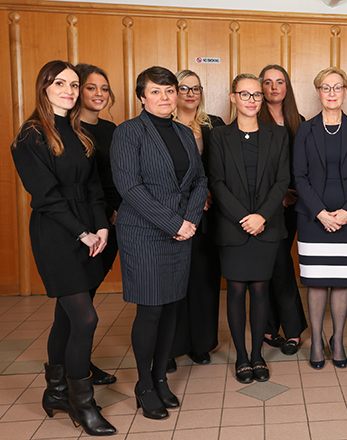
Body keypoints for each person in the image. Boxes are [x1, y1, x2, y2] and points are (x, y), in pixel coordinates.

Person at [11, 60, 116, 436]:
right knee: (86, 318)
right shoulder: (30, 136)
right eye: (61, 83)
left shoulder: (75, 131)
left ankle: (55, 391)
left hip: (89, 228)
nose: (70, 90)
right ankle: (81, 403)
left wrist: (101, 226)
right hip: (57, 235)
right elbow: (46, 198)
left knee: (67, 316)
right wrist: (83, 234)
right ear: (44, 87)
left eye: (74, 84)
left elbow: (91, 187)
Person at [110, 66, 208, 419]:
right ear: (141, 97)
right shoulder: (128, 133)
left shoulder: (184, 132)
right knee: (150, 309)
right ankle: (144, 384)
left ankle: (160, 377)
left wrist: (190, 222)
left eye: (169, 91)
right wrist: (174, 223)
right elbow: (130, 188)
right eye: (156, 91)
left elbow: (199, 180)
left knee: (170, 307)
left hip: (182, 232)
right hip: (144, 234)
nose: (165, 97)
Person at [208, 73, 290, 383]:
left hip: (267, 227)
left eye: (256, 94)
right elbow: (216, 181)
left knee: (260, 290)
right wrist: (245, 217)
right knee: (236, 290)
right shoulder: (219, 136)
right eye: (245, 94)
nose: (252, 100)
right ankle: (241, 357)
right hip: (232, 227)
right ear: (233, 98)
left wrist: (262, 217)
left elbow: (283, 180)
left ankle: (257, 356)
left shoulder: (277, 135)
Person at [294, 67, 347, 369]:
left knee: (341, 283)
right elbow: (299, 176)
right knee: (316, 283)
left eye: (337, 87)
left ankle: (337, 339)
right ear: (318, 92)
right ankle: (316, 339)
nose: (331, 93)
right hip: (313, 220)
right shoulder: (305, 130)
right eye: (325, 88)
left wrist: (346, 212)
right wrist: (321, 214)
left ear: (344, 91)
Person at [167, 69, 224, 371]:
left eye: (196, 88)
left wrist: (212, 194)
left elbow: (224, 166)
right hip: (174, 215)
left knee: (204, 280)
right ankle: (173, 345)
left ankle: (202, 343)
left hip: (208, 215)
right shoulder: (163, 125)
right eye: (183, 88)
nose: (190, 94)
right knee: (176, 281)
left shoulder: (214, 124)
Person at [257, 64, 308, 356]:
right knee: (273, 264)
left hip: (293, 205)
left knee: (279, 263)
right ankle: (289, 326)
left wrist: (294, 194)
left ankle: (272, 324)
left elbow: (301, 165)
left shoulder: (297, 120)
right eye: (267, 82)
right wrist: (277, 197)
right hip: (264, 207)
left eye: (279, 82)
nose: (274, 87)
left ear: (287, 87)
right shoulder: (252, 119)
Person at [75, 63, 119, 386]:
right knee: (78, 304)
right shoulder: (67, 129)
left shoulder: (111, 130)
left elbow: (118, 178)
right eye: (92, 88)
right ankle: (71, 369)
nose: (99, 94)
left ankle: (79, 362)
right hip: (83, 227)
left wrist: (116, 210)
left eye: (104, 88)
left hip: (111, 223)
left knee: (88, 297)